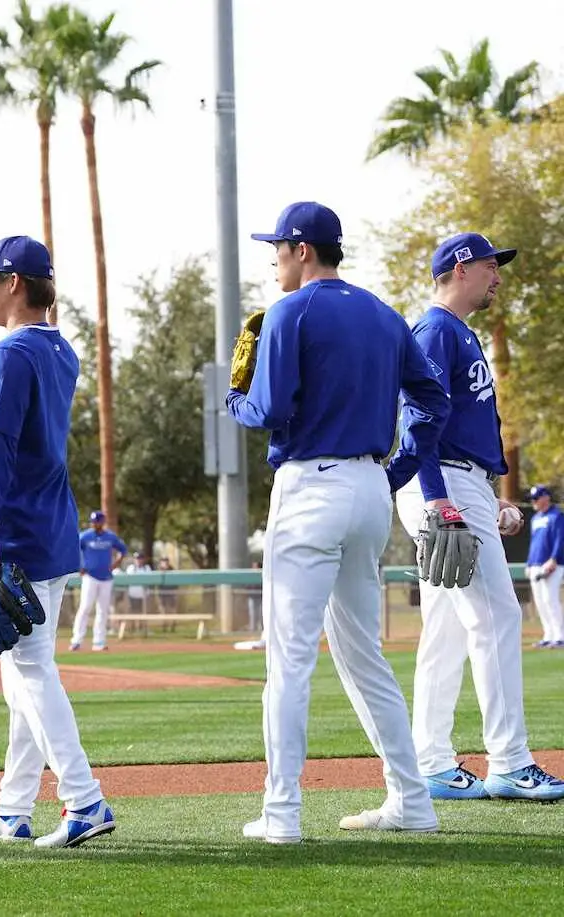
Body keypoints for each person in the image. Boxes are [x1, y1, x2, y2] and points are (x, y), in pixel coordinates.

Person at [227, 201, 451, 842]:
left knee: (289, 661)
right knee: (366, 659)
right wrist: (396, 471)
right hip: (368, 489)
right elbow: (432, 401)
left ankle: (282, 816)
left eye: (278, 248)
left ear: (302, 250)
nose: (273, 259)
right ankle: (413, 802)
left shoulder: (288, 312)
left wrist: (234, 401)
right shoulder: (384, 313)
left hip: (309, 488)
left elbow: (268, 407)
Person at [392, 234, 564, 802]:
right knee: (496, 618)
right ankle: (511, 762)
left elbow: (457, 427)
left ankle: (432, 761)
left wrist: (488, 499)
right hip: (440, 479)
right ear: (462, 267)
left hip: (458, 481)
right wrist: (442, 498)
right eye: (492, 266)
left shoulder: (457, 331)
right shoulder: (437, 330)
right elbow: (422, 423)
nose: (498, 276)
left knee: (446, 631)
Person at [0, 234, 114, 849]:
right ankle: (13, 808)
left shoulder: (9, 356)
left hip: (17, 531)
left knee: (30, 672)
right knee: (24, 674)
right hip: (52, 527)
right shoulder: (62, 352)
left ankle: (84, 799)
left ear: (16, 285)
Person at [69, 511, 127, 651]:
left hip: (106, 578)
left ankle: (99, 642)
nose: (94, 524)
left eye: (97, 521)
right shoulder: (85, 536)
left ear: (102, 522)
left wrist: (116, 563)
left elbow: (123, 550)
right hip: (90, 577)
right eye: (93, 521)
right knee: (85, 608)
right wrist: (80, 566)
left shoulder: (110, 537)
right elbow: (73, 549)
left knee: (102, 610)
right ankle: (77, 640)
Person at [527, 484, 564, 648]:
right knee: (540, 601)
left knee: (550, 599)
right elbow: (534, 543)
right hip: (536, 563)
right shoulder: (535, 518)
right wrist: (529, 563)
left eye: (536, 498)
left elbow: (560, 539)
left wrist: (554, 559)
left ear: (546, 497)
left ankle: (560, 636)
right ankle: (548, 635)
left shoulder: (556, 516)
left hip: (552, 564)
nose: (534, 502)